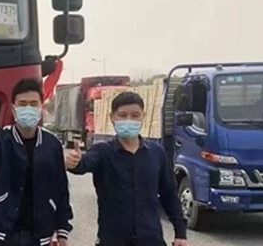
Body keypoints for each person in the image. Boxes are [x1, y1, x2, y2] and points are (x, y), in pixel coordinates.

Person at [66, 91, 190, 246]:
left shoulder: (157, 153)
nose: (129, 120)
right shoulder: (103, 152)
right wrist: (76, 163)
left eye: (135, 115)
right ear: (112, 118)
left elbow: (169, 195)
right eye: (122, 115)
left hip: (151, 239)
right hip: (113, 241)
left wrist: (180, 233)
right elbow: (85, 163)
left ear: (143, 117)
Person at [0, 78, 73, 246]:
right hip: (2, 231)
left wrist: (62, 231)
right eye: (22, 104)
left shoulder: (52, 143)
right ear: (13, 109)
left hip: (40, 232)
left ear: (41, 107)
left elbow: (61, 188)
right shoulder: (1, 137)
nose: (28, 109)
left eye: (33, 104)